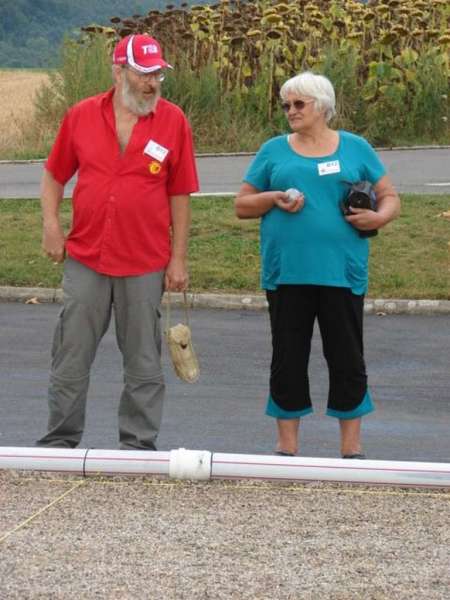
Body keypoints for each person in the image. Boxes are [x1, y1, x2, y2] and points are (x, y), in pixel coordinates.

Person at [36, 34, 199, 450]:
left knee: (144, 361)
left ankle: (138, 447)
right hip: (87, 256)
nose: (152, 82)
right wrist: (51, 226)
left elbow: (179, 193)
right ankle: (60, 442)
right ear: (119, 71)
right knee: (70, 355)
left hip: (145, 260)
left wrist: (177, 258)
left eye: (157, 73)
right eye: (144, 73)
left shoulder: (173, 120)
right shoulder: (81, 115)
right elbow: (55, 175)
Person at [235, 72, 400, 458]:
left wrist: (379, 218)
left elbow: (389, 195)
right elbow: (242, 204)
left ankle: (351, 449)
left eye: (298, 104)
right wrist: (273, 197)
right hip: (287, 272)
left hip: (342, 272)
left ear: (322, 106)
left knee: (347, 357)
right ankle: (287, 448)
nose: (290, 111)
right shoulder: (273, 150)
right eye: (286, 105)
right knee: (287, 359)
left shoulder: (356, 148)